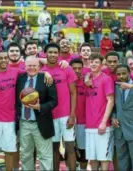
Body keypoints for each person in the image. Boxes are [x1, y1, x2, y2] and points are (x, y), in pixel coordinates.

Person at [16, 57, 57, 170]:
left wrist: (40, 107)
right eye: (29, 65)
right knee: (25, 155)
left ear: (39, 67)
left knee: (45, 155)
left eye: (34, 65)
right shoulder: (20, 78)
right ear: (25, 67)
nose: (32, 68)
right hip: (24, 123)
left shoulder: (46, 78)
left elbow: (54, 101)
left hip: (42, 122)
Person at [42, 43, 77, 171]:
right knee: (54, 148)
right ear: (45, 54)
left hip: (66, 115)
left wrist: (72, 115)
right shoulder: (42, 71)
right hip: (50, 116)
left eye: (55, 52)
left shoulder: (66, 69)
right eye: (50, 52)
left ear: (59, 54)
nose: (52, 54)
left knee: (70, 148)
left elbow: (73, 93)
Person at [85, 53, 114, 170]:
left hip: (103, 125)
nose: (93, 64)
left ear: (102, 65)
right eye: (91, 61)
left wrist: (104, 122)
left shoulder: (106, 79)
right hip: (89, 125)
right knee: (93, 159)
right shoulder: (88, 79)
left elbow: (110, 101)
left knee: (104, 158)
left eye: (97, 62)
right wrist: (87, 76)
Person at [70, 58, 88, 170]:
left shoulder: (87, 81)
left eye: (79, 68)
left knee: (83, 149)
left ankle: (83, 169)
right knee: (69, 148)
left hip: (83, 121)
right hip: (67, 119)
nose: (77, 70)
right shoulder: (66, 80)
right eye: (74, 68)